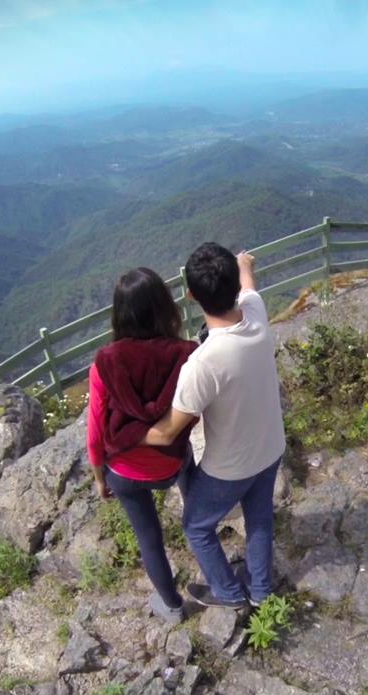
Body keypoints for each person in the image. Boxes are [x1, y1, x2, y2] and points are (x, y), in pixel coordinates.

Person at [145, 243, 286, 609]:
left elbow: (167, 431)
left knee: (196, 526)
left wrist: (123, 435)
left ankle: (227, 593)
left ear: (191, 296)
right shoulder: (256, 313)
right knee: (259, 519)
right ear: (236, 290)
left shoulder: (203, 363)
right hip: (271, 448)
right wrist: (243, 263)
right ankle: (260, 591)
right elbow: (250, 285)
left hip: (231, 467)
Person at [87, 267, 198, 624]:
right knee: (188, 458)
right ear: (166, 308)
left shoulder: (105, 362)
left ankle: (172, 606)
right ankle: (196, 511)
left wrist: (100, 477)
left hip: (124, 470)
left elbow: (95, 430)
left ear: (119, 314)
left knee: (149, 538)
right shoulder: (186, 353)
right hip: (169, 463)